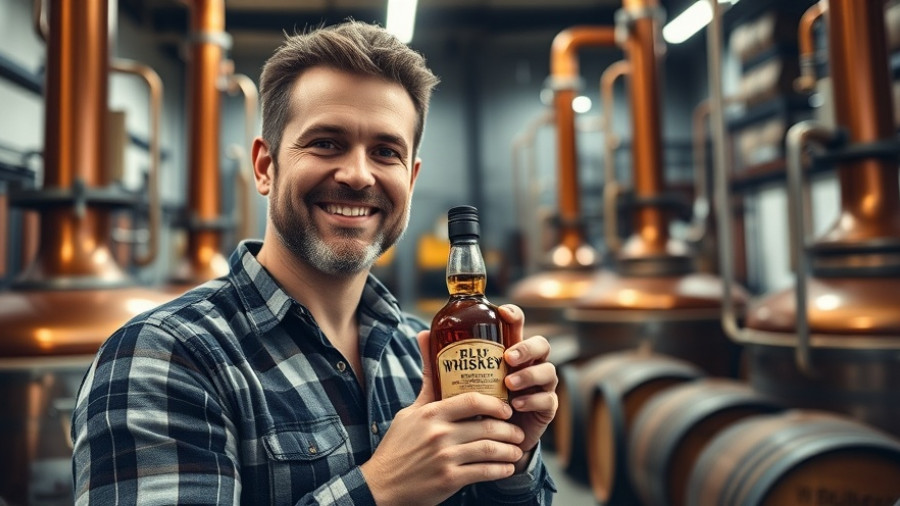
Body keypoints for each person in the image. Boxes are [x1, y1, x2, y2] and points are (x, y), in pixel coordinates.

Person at [71, 20, 558, 505]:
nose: (357, 174)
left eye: (385, 152)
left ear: (410, 179)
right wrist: (380, 490)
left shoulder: (421, 353)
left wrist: (513, 459)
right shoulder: (164, 357)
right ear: (265, 166)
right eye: (326, 143)